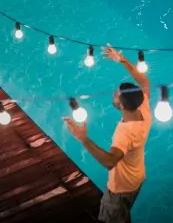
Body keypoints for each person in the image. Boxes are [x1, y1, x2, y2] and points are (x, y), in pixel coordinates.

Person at [64, 45, 151, 223]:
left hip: (120, 188)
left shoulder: (125, 131)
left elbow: (111, 161)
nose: (113, 94)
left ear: (122, 106)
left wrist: (83, 139)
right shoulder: (143, 108)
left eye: (116, 96)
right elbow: (144, 82)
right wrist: (123, 60)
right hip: (137, 177)